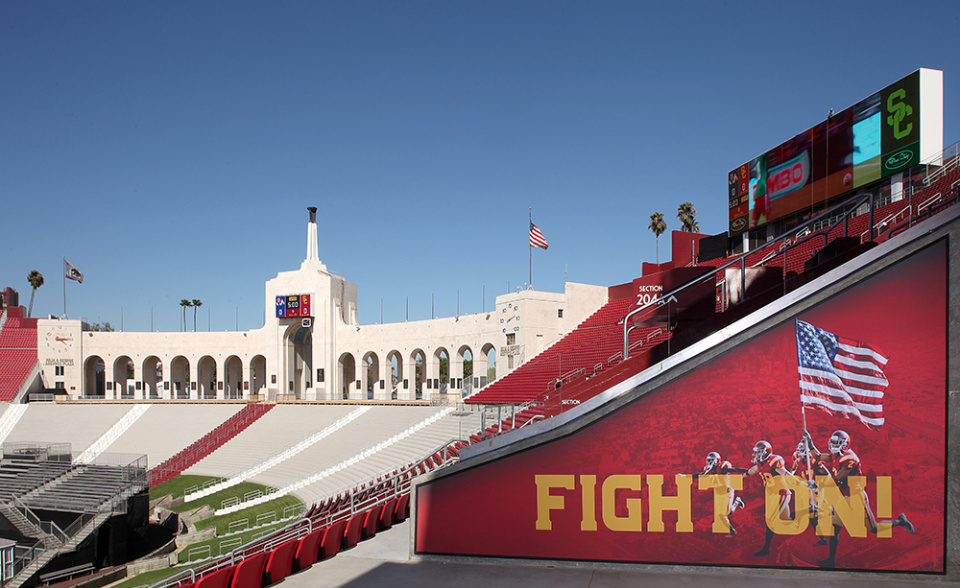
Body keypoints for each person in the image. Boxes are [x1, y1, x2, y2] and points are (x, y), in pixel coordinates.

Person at [806, 430, 915, 568]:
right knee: (835, 528)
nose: (833, 445)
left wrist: (816, 485)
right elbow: (820, 456)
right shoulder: (838, 455)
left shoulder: (850, 459)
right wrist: (810, 443)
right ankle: (831, 561)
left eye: (836, 442)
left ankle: (900, 521)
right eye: (832, 442)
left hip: (856, 498)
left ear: (845, 444)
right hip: (845, 498)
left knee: (873, 528)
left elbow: (836, 480)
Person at [743, 440, 791, 557]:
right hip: (773, 494)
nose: (757, 455)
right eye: (757, 452)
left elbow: (786, 474)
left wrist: (800, 482)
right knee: (787, 521)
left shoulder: (773, 462)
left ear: (767, 452)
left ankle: (766, 549)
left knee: (769, 521)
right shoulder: (761, 464)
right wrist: (741, 477)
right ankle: (809, 512)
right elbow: (752, 470)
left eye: (760, 452)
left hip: (780, 494)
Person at [690, 451, 746, 536]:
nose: (710, 462)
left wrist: (747, 471)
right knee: (721, 515)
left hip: (728, 491)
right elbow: (700, 475)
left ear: (717, 460)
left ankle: (737, 501)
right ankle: (732, 531)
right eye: (709, 460)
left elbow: (734, 469)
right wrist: (687, 476)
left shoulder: (722, 467)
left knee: (726, 513)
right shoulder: (709, 469)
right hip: (719, 493)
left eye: (712, 460)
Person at [792, 437, 831, 545]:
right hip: (807, 490)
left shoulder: (814, 461)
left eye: (802, 449)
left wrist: (817, 486)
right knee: (812, 516)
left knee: (816, 511)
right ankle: (822, 538)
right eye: (799, 449)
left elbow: (827, 476)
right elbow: (793, 470)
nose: (800, 452)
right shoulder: (797, 459)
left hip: (818, 489)